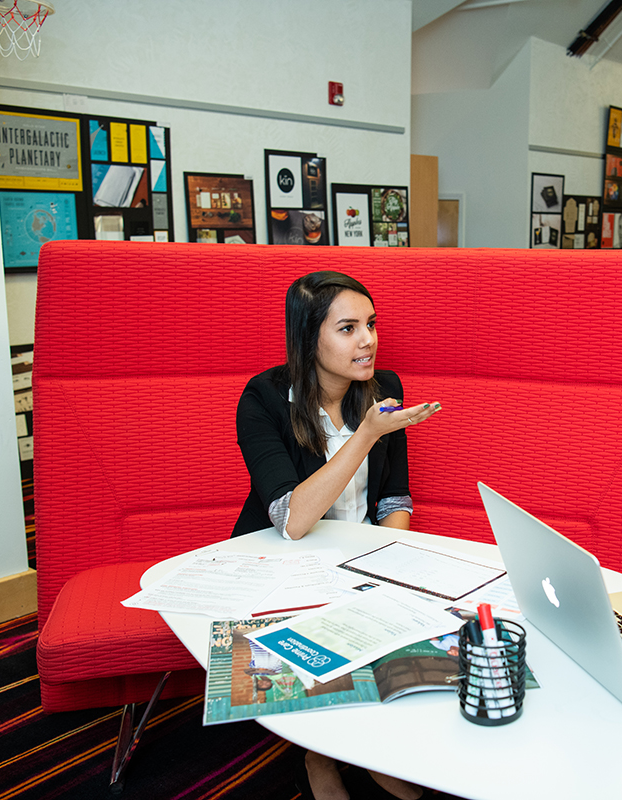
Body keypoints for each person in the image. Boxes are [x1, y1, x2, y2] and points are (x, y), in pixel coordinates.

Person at [233, 270, 440, 799]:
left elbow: (394, 498)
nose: (367, 340)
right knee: (323, 630)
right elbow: (293, 520)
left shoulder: (385, 387)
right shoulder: (261, 398)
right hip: (282, 560)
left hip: (361, 551)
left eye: (371, 324)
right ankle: (319, 753)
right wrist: (368, 432)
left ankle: (366, 744)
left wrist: (389, 561)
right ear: (309, 338)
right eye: (348, 328)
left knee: (407, 613)